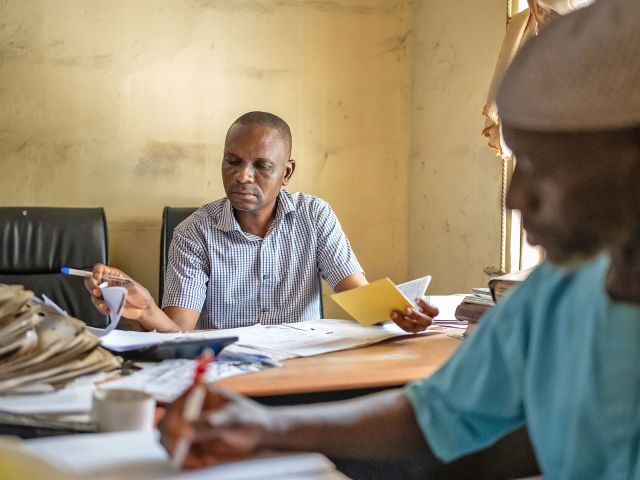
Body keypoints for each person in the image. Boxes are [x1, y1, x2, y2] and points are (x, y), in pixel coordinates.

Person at [159, 1, 640, 478]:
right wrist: (265, 424)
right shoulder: (551, 296)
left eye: (540, 167)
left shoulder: (312, 215)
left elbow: (360, 298)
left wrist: (389, 311)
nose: (514, 198)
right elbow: (433, 414)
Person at [85, 111, 437, 332]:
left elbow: (362, 299)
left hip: (302, 371)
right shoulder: (194, 233)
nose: (242, 177)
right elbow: (178, 332)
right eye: (232, 162)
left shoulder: (314, 217)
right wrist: (146, 308)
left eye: (261, 166)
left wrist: (398, 315)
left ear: (287, 172)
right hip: (224, 377)